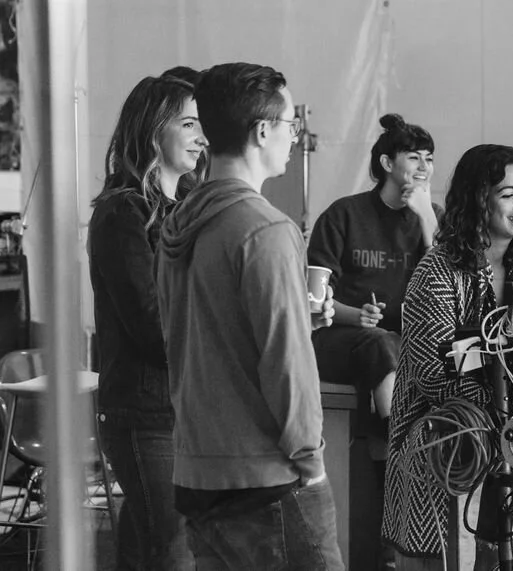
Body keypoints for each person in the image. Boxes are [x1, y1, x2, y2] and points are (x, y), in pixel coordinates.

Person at [155, 62, 344, 570]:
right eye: (290, 126)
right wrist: (311, 461)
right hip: (265, 479)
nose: (292, 137)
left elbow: (195, 339)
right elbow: (285, 363)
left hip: (198, 471)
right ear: (262, 131)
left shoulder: (179, 224)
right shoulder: (264, 229)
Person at [382, 144, 513, 570]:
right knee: (472, 434)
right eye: (507, 194)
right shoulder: (437, 271)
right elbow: (433, 378)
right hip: (444, 426)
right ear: (479, 201)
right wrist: (504, 406)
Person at [89, 70, 207, 570]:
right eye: (188, 124)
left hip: (181, 408)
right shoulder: (124, 211)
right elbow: (149, 322)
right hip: (145, 413)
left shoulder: (184, 209)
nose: (202, 138)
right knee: (175, 550)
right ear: (152, 130)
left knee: (145, 552)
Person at [307, 113, 440, 425]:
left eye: (429, 158)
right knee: (382, 342)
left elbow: (445, 288)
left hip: (408, 338)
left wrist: (426, 221)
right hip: (340, 339)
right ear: (387, 163)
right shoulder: (344, 215)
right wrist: (357, 315)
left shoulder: (433, 217)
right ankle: (396, 436)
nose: (424, 167)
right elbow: (314, 300)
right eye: (414, 157)